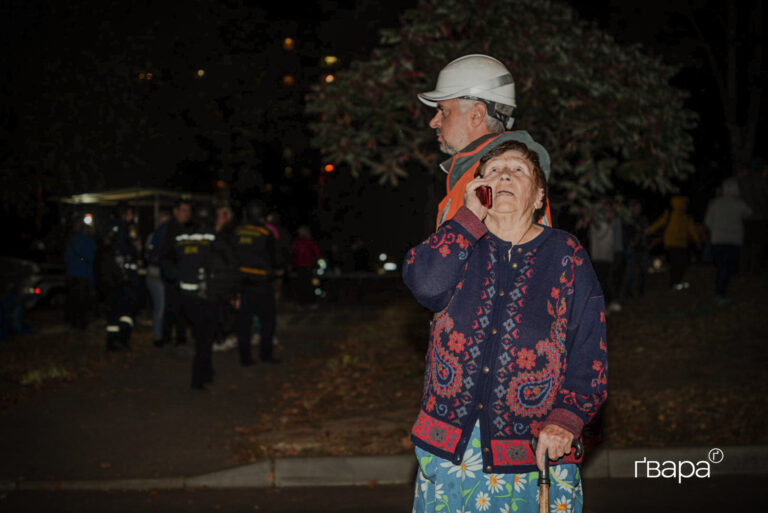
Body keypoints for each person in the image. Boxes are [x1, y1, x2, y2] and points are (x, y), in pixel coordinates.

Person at [403, 140, 607, 513]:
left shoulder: (566, 254)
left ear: (538, 195)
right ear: (478, 187)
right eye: (493, 170)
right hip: (453, 453)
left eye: (519, 170)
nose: (505, 175)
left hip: (536, 453)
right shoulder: (460, 243)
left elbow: (590, 351)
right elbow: (425, 284)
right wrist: (467, 217)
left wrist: (567, 418)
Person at [418, 54, 552, 227]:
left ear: (477, 115)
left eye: (443, 111)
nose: (433, 122)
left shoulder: (498, 176)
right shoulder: (476, 171)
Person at [172, 205, 240, 390]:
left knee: (201, 336)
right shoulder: (214, 238)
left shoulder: (182, 237)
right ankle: (198, 378)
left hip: (187, 295)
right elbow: (230, 266)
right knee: (205, 338)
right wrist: (232, 292)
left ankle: (207, 371)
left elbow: (171, 262)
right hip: (208, 295)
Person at [233, 201, 282, 364]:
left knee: (244, 324)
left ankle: (245, 357)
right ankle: (265, 354)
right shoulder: (265, 233)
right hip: (262, 284)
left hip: (242, 284)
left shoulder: (237, 232)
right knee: (268, 322)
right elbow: (275, 258)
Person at [97, 205, 142, 351]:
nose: (132, 217)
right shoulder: (123, 228)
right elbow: (124, 249)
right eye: (130, 213)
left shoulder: (107, 229)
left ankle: (111, 341)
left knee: (113, 311)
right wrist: (135, 247)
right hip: (124, 278)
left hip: (109, 278)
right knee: (126, 311)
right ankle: (123, 339)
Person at [704, 178, 752, 304]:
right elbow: (749, 213)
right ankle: (721, 293)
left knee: (722, 267)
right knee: (726, 267)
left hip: (718, 240)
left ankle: (720, 291)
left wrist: (717, 229)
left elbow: (708, 222)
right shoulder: (739, 204)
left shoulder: (715, 203)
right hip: (733, 240)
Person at [646, 196, 700, 290]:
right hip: (674, 244)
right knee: (677, 264)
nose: (685, 206)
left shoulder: (685, 217)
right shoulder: (673, 215)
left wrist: (697, 241)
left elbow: (692, 231)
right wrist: (648, 230)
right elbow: (659, 223)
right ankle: (675, 283)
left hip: (679, 244)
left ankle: (677, 282)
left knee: (679, 264)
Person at [159, 199, 192, 347]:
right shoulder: (171, 229)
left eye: (188, 211)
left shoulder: (183, 227)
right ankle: (169, 338)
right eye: (184, 210)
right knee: (172, 307)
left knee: (181, 308)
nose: (187, 214)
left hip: (178, 274)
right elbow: (169, 253)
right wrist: (173, 274)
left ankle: (179, 337)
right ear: (176, 211)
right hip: (173, 275)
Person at [64, 219, 96, 330]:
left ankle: (73, 322)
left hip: (72, 275)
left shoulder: (72, 241)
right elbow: (92, 258)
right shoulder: (88, 241)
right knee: (83, 301)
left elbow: (67, 258)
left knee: (73, 300)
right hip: (84, 275)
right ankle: (82, 324)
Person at [145, 209, 170, 346]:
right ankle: (158, 337)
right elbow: (150, 255)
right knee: (160, 307)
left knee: (163, 307)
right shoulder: (154, 237)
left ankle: (162, 335)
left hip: (161, 276)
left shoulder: (160, 236)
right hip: (155, 277)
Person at [291, 225, 321, 309]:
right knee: (304, 285)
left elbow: (317, 252)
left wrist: (314, 261)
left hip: (306, 266)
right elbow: (293, 252)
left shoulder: (308, 241)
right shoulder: (298, 241)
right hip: (302, 266)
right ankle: (303, 303)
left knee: (307, 285)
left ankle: (308, 303)